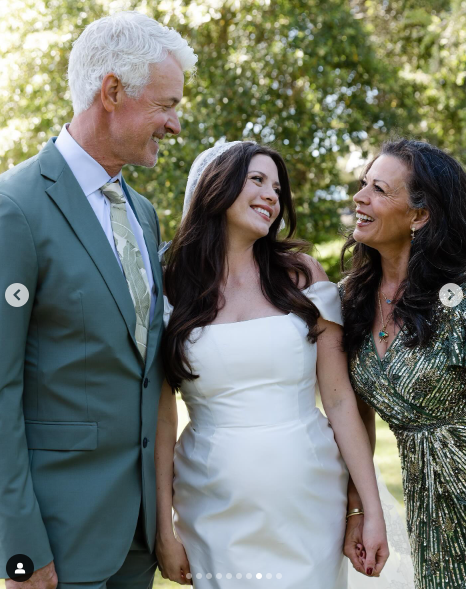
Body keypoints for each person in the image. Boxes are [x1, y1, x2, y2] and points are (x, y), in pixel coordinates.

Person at [0, 11, 196, 589]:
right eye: (166, 105)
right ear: (112, 91)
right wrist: (19, 548)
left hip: (134, 538)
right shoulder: (15, 208)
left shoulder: (144, 216)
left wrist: (160, 521)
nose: (175, 124)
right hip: (55, 542)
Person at [154, 140, 389, 588]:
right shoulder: (172, 290)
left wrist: (368, 511)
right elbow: (162, 418)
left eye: (277, 188)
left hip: (309, 501)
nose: (271, 196)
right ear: (214, 187)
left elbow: (340, 403)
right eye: (257, 180)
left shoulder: (301, 277)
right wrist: (166, 530)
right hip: (211, 501)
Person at [339, 138, 466, 589]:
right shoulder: (349, 301)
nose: (360, 197)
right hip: (427, 512)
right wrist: (358, 509)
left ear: (420, 215)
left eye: (379, 189)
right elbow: (357, 421)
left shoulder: (459, 303)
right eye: (363, 185)